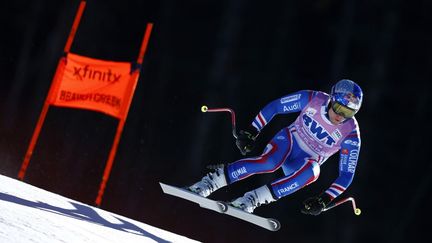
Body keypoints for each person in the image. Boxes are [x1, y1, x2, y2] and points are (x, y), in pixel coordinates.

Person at [188, 79, 363, 216]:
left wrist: (325, 199)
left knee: (314, 171)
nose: (341, 116)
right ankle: (209, 183)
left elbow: (346, 174)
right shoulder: (313, 99)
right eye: (339, 108)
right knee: (270, 162)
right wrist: (252, 130)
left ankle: (252, 199)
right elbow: (276, 106)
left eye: (349, 113)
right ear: (332, 99)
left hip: (303, 162)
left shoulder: (350, 133)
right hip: (289, 141)